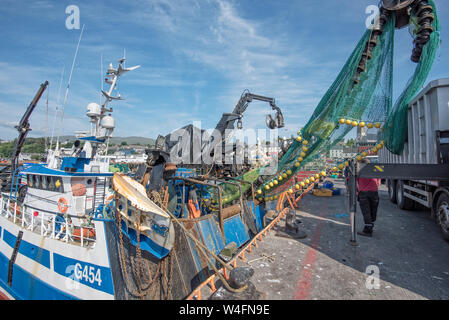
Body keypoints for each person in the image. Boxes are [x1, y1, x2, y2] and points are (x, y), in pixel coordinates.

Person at [356, 158, 381, 237]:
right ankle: (371, 226)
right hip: (374, 193)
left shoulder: (359, 171)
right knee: (373, 210)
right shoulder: (375, 170)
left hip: (364, 193)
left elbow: (355, 181)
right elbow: (378, 183)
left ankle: (368, 231)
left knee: (366, 212)